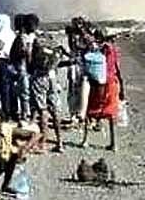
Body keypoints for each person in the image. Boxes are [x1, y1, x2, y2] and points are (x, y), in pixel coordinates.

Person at [24, 14, 66, 153]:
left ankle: (43, 143)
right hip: (52, 76)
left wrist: (30, 70)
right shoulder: (46, 36)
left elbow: (29, 59)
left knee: (42, 110)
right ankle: (60, 142)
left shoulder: (31, 39)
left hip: (39, 77)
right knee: (55, 109)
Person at [81, 28, 124, 151]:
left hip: (98, 83)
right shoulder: (114, 50)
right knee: (111, 113)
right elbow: (117, 69)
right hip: (111, 83)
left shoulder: (97, 50)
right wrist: (122, 89)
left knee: (91, 110)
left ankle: (85, 140)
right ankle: (114, 144)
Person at [65, 16, 93, 126]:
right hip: (77, 66)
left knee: (81, 91)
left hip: (80, 66)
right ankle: (75, 115)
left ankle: (80, 114)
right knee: (75, 90)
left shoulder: (85, 37)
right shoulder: (75, 36)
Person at [9, 14, 32, 125]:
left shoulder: (22, 37)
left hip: (23, 68)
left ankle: (25, 115)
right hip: (27, 68)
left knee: (24, 93)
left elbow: (24, 52)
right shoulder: (30, 36)